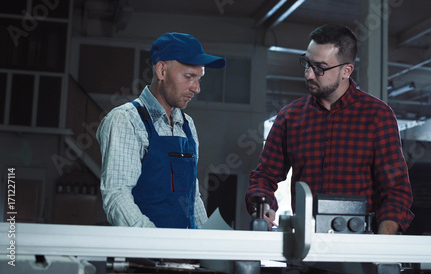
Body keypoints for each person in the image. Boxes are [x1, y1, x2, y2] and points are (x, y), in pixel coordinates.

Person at [245, 24, 413, 234]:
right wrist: (263, 207)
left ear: (346, 70)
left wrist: (381, 246)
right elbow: (263, 176)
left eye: (320, 68)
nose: (309, 75)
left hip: (358, 248)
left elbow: (395, 190)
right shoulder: (290, 116)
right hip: (303, 248)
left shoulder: (378, 116)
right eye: (307, 63)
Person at [97, 32, 226, 228]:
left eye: (199, 78)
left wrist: (204, 244)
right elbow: (117, 195)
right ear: (162, 71)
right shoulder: (126, 120)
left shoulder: (187, 125)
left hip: (183, 254)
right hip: (144, 255)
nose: (197, 88)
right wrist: (155, 242)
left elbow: (193, 197)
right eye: (189, 76)